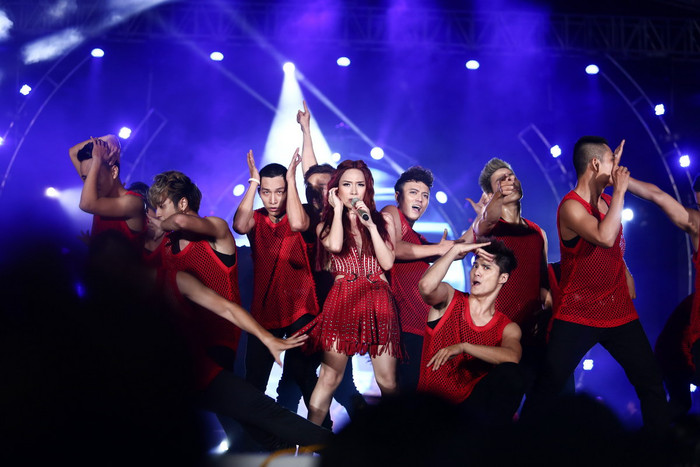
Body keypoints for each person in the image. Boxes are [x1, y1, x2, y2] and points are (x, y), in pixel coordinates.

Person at [523, 136, 670, 431]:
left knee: (651, 382)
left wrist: (625, 269)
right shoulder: (571, 207)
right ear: (594, 164)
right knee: (547, 389)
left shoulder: (608, 199)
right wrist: (620, 191)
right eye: (611, 161)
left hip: (618, 311)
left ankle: (662, 448)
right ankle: (519, 447)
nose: (617, 168)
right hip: (578, 313)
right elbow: (604, 237)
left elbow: (652, 193)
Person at [274, 102, 367, 419]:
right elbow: (312, 175)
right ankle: (299, 436)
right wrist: (306, 131)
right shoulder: (305, 212)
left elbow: (318, 178)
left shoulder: (343, 217)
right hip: (306, 309)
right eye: (312, 188)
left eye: (325, 188)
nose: (317, 192)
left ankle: (329, 430)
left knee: (338, 384)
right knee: (293, 382)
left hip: (336, 308)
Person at [299, 159, 401, 426]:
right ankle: (309, 442)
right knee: (329, 377)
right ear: (336, 190)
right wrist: (337, 212)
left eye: (360, 184)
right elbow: (334, 245)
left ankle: (400, 442)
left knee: (388, 381)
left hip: (378, 298)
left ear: (368, 188)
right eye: (347, 184)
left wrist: (370, 226)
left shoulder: (383, 220)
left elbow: (387, 262)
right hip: (343, 298)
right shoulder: (325, 225)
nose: (354, 191)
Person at [232, 149, 321, 414]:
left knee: (303, 380)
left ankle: (321, 434)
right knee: (254, 382)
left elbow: (298, 223)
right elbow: (239, 226)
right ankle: (258, 437)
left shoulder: (302, 213)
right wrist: (253, 182)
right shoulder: (256, 218)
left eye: (279, 192)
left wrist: (291, 180)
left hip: (301, 309)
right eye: (266, 192)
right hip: (264, 310)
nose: (273, 199)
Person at [417, 239, 525, 426]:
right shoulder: (450, 298)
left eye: (486, 267)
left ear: (503, 278)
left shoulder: (507, 327)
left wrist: (464, 347)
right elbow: (426, 287)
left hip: (471, 407)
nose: (477, 272)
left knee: (513, 374)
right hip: (434, 406)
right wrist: (454, 251)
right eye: (475, 265)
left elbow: (512, 357)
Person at [149, 170, 242, 377]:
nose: (158, 213)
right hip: (183, 340)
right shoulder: (167, 243)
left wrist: (161, 226)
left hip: (219, 337)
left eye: (162, 206)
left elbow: (180, 222)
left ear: (182, 203)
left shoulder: (217, 227)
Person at [625, 174, 700, 420]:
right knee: (680, 406)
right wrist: (621, 180)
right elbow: (658, 196)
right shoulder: (698, 225)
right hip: (687, 346)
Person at [473, 158, 551, 389]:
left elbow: (542, 283)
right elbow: (485, 221)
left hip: (533, 332)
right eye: (501, 180)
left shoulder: (538, 233)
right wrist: (496, 198)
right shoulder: (488, 229)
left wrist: (547, 314)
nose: (510, 181)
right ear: (490, 194)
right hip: (497, 333)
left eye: (511, 176)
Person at [381, 166, 457, 392]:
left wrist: (479, 223)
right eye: (413, 192)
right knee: (404, 391)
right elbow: (394, 248)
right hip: (402, 324)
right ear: (398, 196)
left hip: (420, 324)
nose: (420, 199)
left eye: (425, 195)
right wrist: (439, 248)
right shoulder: (391, 213)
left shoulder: (417, 238)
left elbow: (453, 249)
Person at [68, 135, 145, 248]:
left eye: (95, 173)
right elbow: (73, 152)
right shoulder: (97, 195)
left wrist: (97, 160)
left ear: (114, 172)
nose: (91, 182)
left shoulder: (133, 202)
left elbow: (86, 204)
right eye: (86, 178)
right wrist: (110, 138)